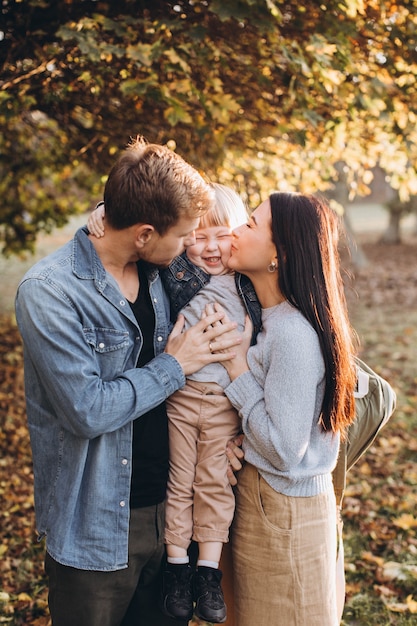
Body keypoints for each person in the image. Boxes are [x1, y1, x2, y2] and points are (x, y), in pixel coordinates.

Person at [15, 137, 242, 626]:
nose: (189, 247)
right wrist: (173, 365)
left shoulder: (160, 272)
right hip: (95, 524)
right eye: (182, 237)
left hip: (171, 514)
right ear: (143, 234)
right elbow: (88, 410)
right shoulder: (48, 292)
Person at [88, 184, 259, 625]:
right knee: (181, 483)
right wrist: (104, 210)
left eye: (221, 234)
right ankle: (179, 570)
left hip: (225, 406)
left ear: (239, 233)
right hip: (179, 402)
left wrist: (247, 420)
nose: (209, 246)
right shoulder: (179, 272)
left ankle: (206, 572)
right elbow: (142, 230)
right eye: (197, 236)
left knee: (213, 484)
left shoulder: (252, 282)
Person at [211, 192, 358, 626]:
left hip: (283, 511)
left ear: (280, 254)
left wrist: (238, 371)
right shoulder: (272, 318)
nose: (236, 232)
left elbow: (281, 448)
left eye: (251, 226)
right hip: (270, 502)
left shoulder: (293, 333)